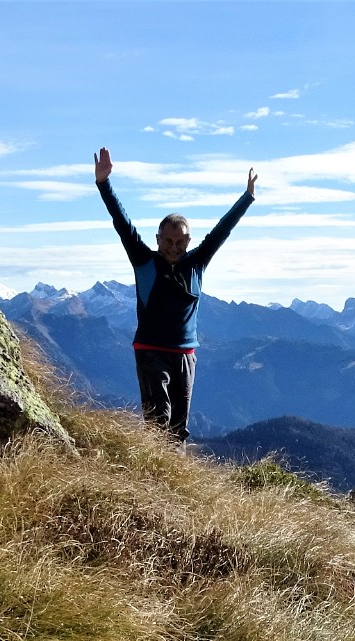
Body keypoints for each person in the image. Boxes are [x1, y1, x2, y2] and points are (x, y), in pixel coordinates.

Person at [94, 147, 257, 443]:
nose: (173, 246)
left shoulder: (197, 262)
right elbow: (122, 223)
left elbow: (222, 231)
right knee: (159, 418)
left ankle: (171, 481)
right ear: (158, 239)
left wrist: (247, 198)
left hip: (185, 354)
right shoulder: (144, 260)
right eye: (168, 240)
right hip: (150, 350)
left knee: (178, 427)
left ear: (188, 241)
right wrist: (104, 184)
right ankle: (152, 475)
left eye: (180, 241)